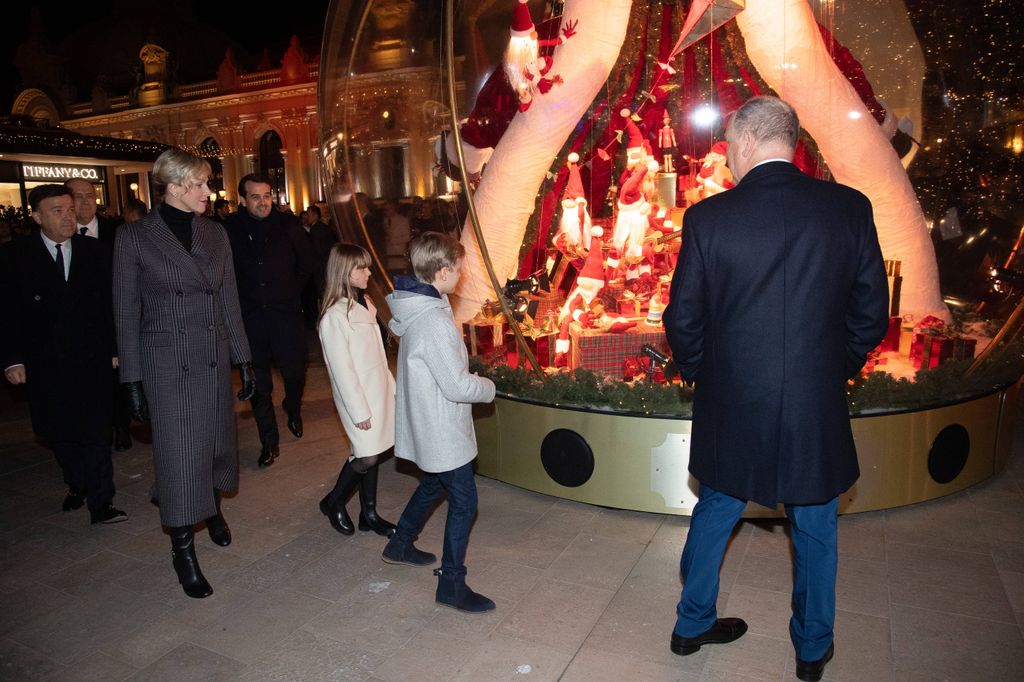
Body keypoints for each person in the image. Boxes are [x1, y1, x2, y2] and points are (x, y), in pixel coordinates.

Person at [663, 96, 889, 682]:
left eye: (728, 146)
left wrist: (700, 372)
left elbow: (683, 321)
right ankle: (812, 650)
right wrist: (835, 365)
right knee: (815, 524)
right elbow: (871, 312)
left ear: (743, 142)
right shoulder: (849, 209)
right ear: (793, 143)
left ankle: (692, 626)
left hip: (734, 398)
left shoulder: (708, 219)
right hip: (814, 402)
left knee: (718, 506)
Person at [113, 149, 255, 599]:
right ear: (173, 186)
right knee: (178, 456)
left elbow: (229, 297)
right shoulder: (135, 237)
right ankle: (182, 547)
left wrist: (243, 357)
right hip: (167, 363)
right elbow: (125, 312)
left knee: (215, 441)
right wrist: (132, 379)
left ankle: (211, 508)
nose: (208, 192)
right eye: (199, 184)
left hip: (211, 356)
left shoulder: (214, 233)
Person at [381, 232, 497, 614]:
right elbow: (456, 385)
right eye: (459, 269)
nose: (462, 275)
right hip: (441, 427)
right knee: (465, 502)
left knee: (433, 484)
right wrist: (488, 386)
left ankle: (400, 543)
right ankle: (451, 583)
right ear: (443, 271)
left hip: (430, 419)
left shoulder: (425, 304)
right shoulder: (432, 320)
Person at [1, 184, 127, 525]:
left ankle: (103, 503)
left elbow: (112, 306)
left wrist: (117, 350)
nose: (68, 216)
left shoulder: (96, 252)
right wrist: (12, 359)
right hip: (45, 364)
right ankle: (77, 482)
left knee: (97, 432)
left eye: (70, 210)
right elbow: (7, 312)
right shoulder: (15, 257)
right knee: (57, 433)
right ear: (37, 216)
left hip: (92, 360)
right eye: (57, 211)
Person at [225, 174, 315, 467]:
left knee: (295, 373)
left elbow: (307, 263)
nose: (263, 202)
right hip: (249, 319)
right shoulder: (228, 230)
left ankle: (293, 406)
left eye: (267, 196)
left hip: (285, 315)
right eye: (255, 197)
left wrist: (289, 291)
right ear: (242, 200)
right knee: (258, 382)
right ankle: (269, 441)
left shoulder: (288, 226)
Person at [317, 243, 396, 537]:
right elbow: (342, 371)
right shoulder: (334, 317)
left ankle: (369, 514)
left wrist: (392, 388)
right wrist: (359, 410)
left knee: (373, 451)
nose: (368, 272)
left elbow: (376, 355)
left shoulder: (366, 302)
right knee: (367, 456)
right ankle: (333, 501)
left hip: (378, 392)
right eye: (361, 267)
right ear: (344, 273)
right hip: (358, 398)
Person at [65, 178, 133, 451]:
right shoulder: (62, 235)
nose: (85, 201)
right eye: (77, 196)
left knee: (118, 381)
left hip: (113, 317)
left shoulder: (119, 233)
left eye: (89, 195)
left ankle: (122, 426)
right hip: (78, 327)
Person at [302, 204, 338, 329]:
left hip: (321, 268)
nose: (307, 217)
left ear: (315, 215)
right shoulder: (322, 228)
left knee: (324, 294)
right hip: (325, 266)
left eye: (309, 214)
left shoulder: (317, 230)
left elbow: (317, 251)